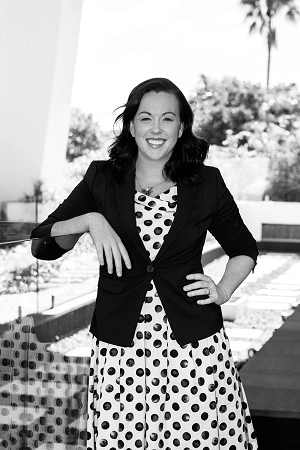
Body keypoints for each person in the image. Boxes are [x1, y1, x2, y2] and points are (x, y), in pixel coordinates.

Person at [31, 77, 258, 450]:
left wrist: (222, 290)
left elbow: (244, 248)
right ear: (131, 125)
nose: (156, 129)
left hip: (193, 346)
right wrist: (90, 220)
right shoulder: (100, 179)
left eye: (167, 119)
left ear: (182, 127)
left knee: (194, 439)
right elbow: (42, 243)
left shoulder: (207, 182)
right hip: (121, 349)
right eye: (145, 117)